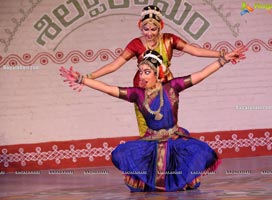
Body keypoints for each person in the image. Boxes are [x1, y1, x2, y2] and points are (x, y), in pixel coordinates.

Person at [59, 46, 246, 192]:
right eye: (140, 72)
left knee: (202, 151)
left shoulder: (172, 87)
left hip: (174, 138)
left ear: (158, 73)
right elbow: (108, 88)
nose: (142, 76)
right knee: (120, 153)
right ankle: (151, 182)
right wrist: (83, 79)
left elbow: (201, 75)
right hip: (151, 141)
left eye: (147, 72)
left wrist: (223, 60)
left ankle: (182, 180)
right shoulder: (136, 94)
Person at [69, 5, 240, 136]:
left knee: (168, 129)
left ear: (161, 26)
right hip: (143, 92)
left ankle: (170, 168)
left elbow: (195, 51)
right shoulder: (135, 44)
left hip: (166, 90)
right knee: (146, 133)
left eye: (154, 29)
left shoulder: (169, 40)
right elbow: (115, 65)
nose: (150, 33)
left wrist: (222, 55)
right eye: (146, 29)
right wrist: (87, 77)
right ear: (140, 26)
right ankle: (150, 171)